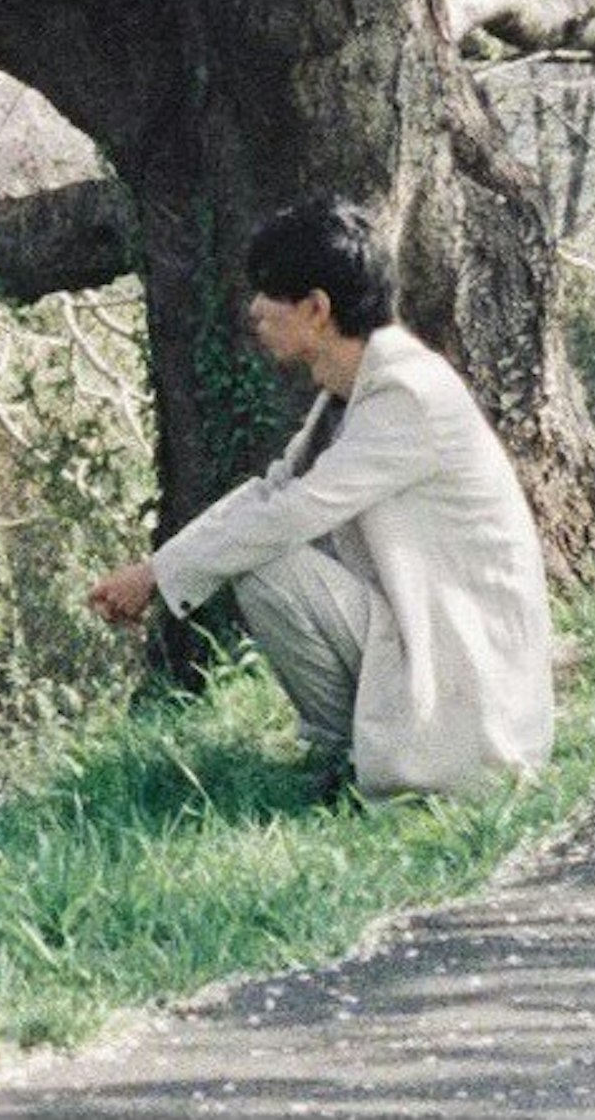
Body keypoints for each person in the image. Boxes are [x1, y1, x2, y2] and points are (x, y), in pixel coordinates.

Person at [86, 198, 555, 797]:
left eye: (267, 295)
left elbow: (288, 516)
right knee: (259, 548)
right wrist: (154, 571)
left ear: (315, 309)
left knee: (266, 562)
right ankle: (350, 758)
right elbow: (271, 491)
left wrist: (156, 577)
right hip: (434, 643)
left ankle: (352, 760)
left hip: (472, 683)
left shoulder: (405, 394)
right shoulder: (356, 387)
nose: (253, 311)